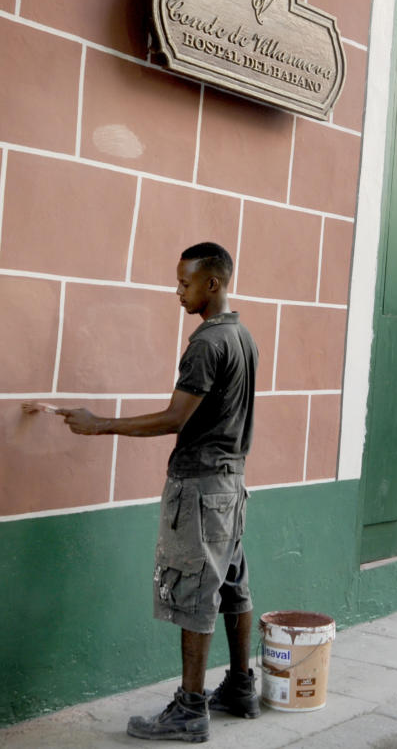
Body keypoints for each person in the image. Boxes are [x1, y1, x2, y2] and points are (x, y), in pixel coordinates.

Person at [50, 243, 259, 741]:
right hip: (230, 486)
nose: (177, 291)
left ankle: (190, 710)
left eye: (185, 282)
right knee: (232, 585)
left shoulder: (207, 344)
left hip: (201, 490)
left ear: (213, 284)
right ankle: (240, 687)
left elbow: (173, 418)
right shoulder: (242, 335)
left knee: (195, 595)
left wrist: (99, 425)